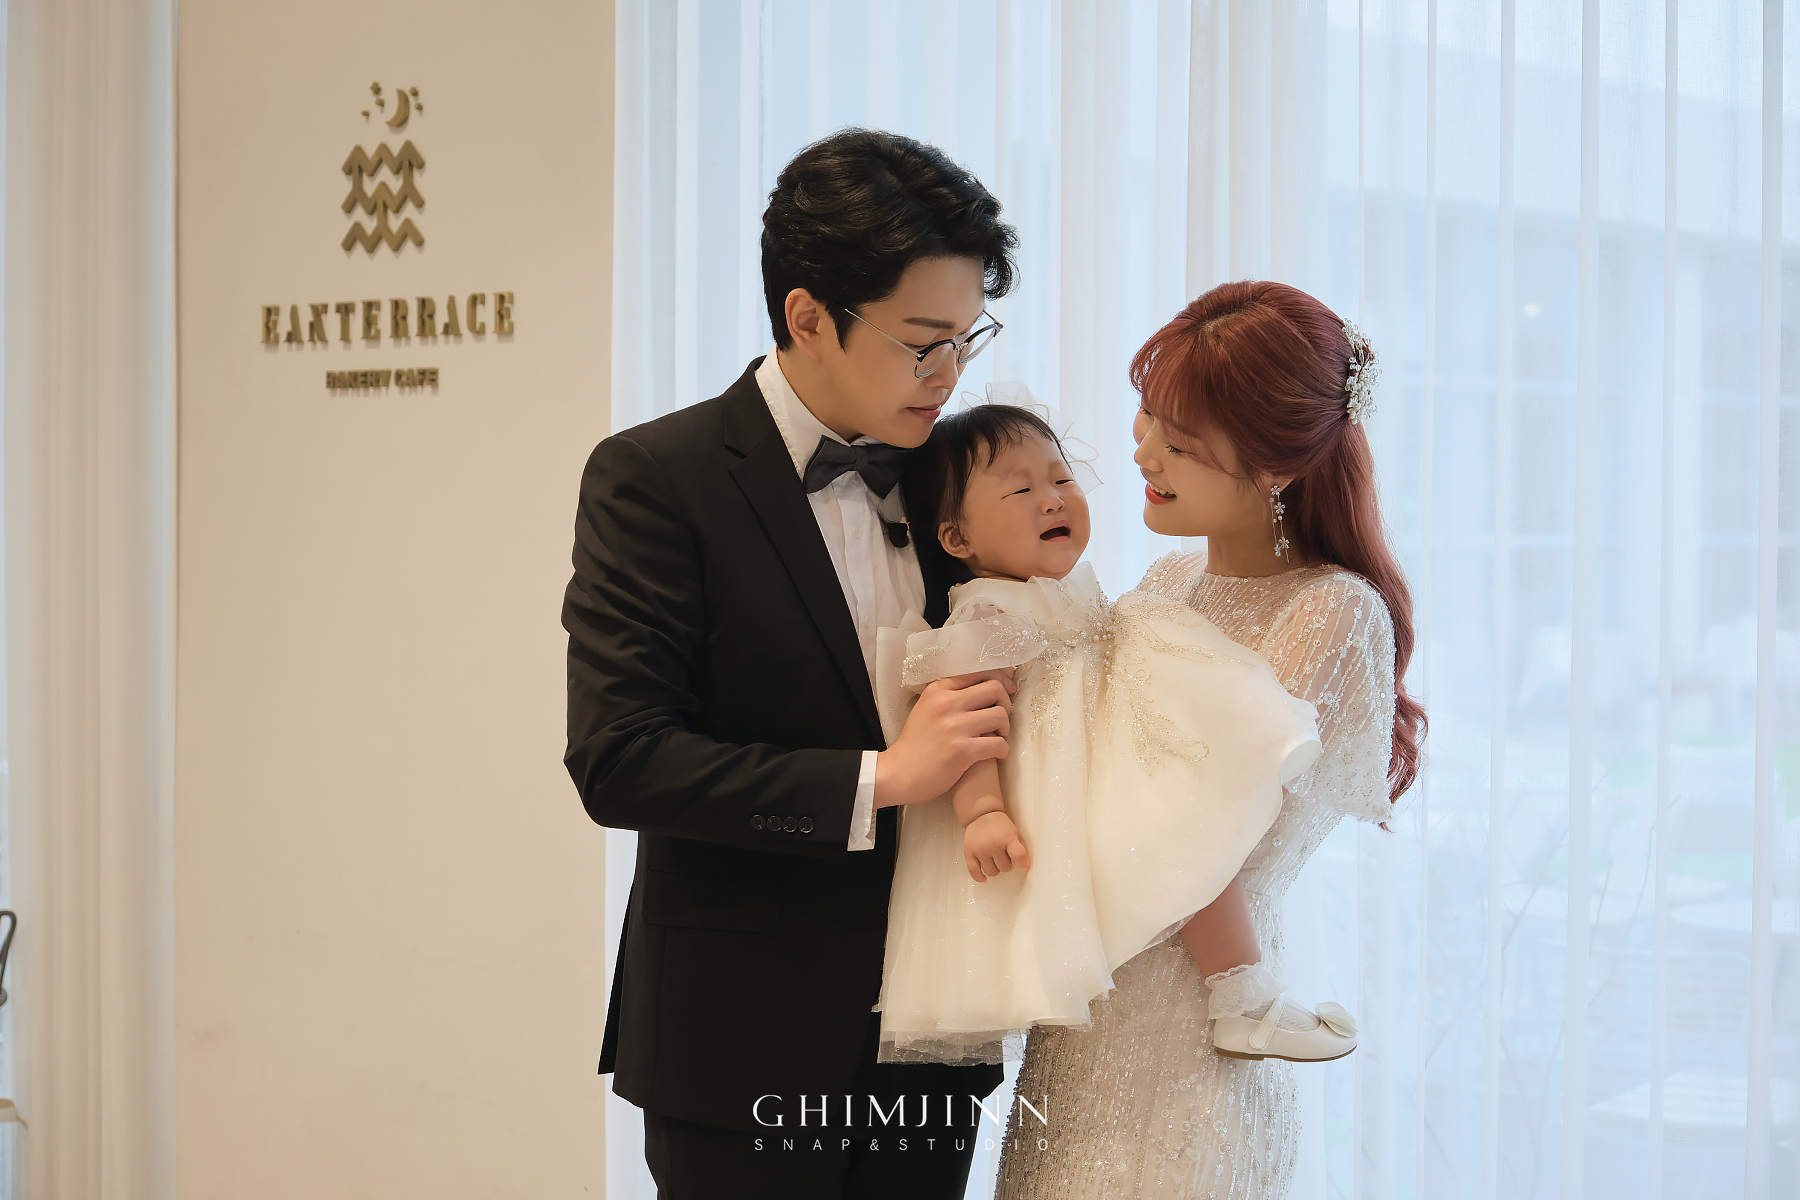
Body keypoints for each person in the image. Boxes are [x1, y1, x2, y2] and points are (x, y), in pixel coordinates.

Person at [561, 128, 1019, 1199]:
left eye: (967, 339)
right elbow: (622, 760)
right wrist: (883, 778)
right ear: (808, 317)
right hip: (738, 1041)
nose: (950, 375)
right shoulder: (655, 478)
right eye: (922, 344)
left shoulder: (953, 473)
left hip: (933, 1032)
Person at [995, 281, 1429, 1199]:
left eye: (1181, 442)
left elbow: (1190, 824)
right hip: (1084, 1028)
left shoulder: (1332, 611)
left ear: (1274, 470)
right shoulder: (1167, 579)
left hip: (1191, 1039)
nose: (1143, 452)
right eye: (1148, 416)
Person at [869, 403, 1322, 1068]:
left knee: (1195, 839)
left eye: (1062, 478)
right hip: (1062, 793)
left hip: (1107, 758)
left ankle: (1241, 995)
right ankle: (1241, 997)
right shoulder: (984, 612)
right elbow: (964, 725)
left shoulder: (1074, 589)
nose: (1053, 498)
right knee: (1184, 843)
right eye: (1021, 490)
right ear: (958, 539)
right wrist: (984, 812)